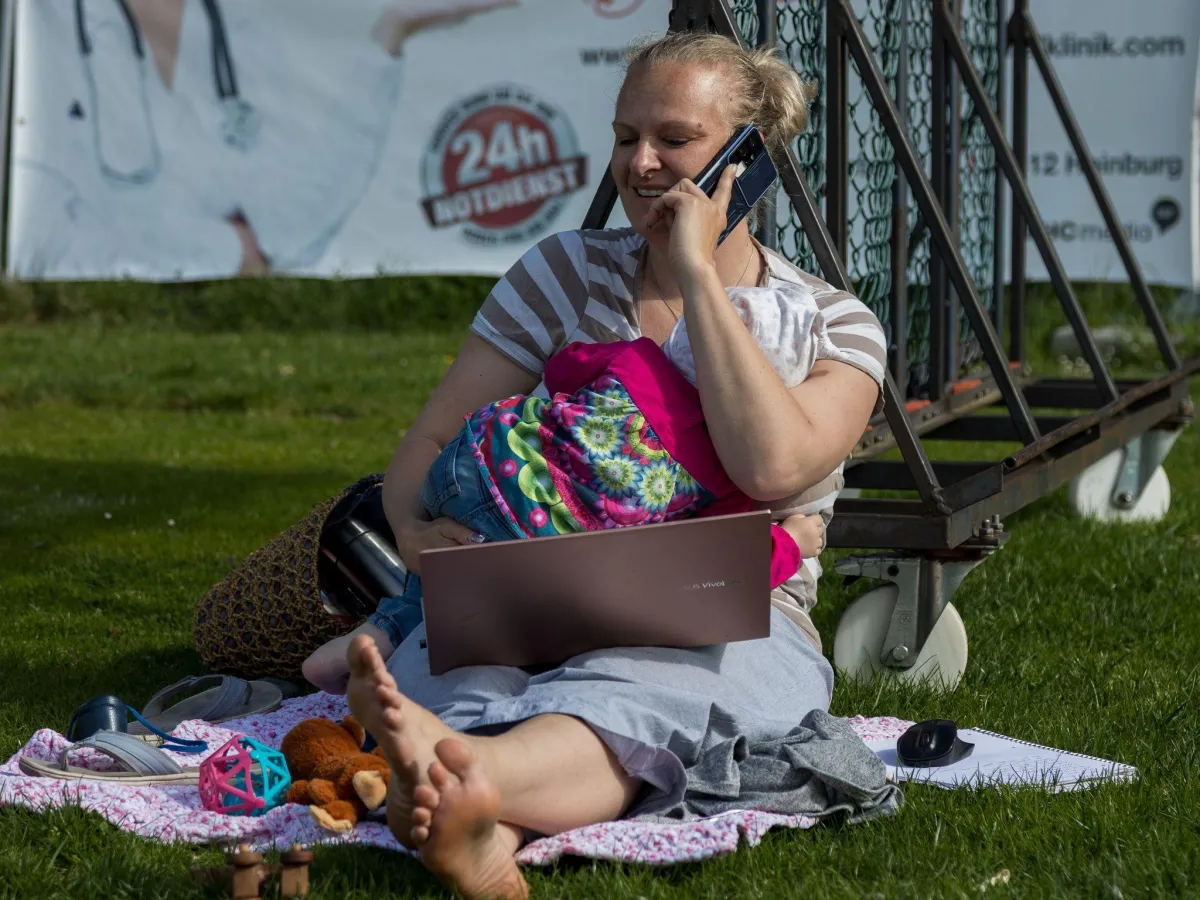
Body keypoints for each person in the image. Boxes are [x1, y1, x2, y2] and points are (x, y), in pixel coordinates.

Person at [198, 30, 889, 899]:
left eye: (674, 141)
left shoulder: (834, 324)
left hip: (726, 614)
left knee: (642, 692)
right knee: (473, 669)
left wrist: (697, 280)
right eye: (624, 135)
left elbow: (772, 465)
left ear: (750, 160)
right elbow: (426, 442)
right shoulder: (563, 273)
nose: (639, 164)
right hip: (526, 590)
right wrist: (414, 535)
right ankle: (479, 802)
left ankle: (466, 785)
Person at [303, 281, 839, 689]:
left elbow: (564, 368)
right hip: (543, 547)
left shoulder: (641, 358)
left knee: (435, 583)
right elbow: (723, 560)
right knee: (514, 605)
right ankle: (394, 648)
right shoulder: (730, 476)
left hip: (469, 462)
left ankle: (367, 639)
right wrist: (793, 540)